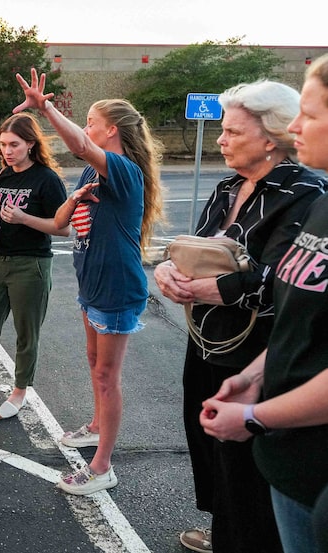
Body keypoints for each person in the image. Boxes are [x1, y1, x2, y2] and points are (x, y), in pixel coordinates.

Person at [154, 80, 325, 553]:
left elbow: (283, 281)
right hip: (209, 341)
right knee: (210, 443)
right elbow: (196, 246)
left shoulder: (305, 193)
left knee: (245, 464)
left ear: (271, 136)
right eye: (222, 131)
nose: (221, 140)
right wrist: (168, 271)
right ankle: (226, 528)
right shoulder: (228, 185)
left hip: (258, 350)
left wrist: (214, 288)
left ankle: (242, 535)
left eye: (231, 132)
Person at [199, 53, 328, 553]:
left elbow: (267, 283)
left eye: (311, 114)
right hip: (289, 461)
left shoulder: (303, 192)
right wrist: (254, 377)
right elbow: (303, 324)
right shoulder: (324, 207)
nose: (296, 125)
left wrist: (256, 417)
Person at [14, 68, 164, 495]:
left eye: (92, 121)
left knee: (106, 376)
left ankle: (102, 467)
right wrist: (74, 199)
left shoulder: (123, 169)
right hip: (91, 285)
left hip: (117, 289)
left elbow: (78, 143)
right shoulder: (89, 175)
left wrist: (44, 109)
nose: (85, 128)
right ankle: (97, 426)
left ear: (110, 130)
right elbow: (62, 224)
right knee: (93, 364)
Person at [0, 112, 68, 419]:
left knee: (26, 332)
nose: (7, 150)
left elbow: (63, 228)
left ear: (31, 144)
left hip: (30, 264)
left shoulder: (46, 180)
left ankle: (19, 391)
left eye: (14, 144)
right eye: (3, 144)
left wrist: (24, 218)